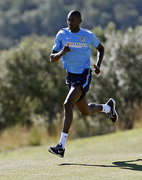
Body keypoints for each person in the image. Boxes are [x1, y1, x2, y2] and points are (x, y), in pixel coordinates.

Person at [48, 10, 118, 158]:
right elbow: (52, 58)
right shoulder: (62, 34)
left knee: (67, 105)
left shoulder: (87, 35)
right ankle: (108, 107)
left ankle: (61, 146)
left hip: (83, 75)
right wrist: (61, 53)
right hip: (70, 76)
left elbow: (101, 48)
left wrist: (98, 64)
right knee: (85, 111)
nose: (70, 23)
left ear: (80, 21)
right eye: (68, 20)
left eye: (73, 20)